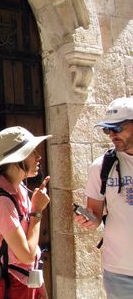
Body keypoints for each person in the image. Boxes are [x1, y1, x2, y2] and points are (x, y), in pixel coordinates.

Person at [0, 126, 51, 299]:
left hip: (26, 284)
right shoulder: (1, 203)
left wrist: (41, 291)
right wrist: (37, 211)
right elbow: (26, 256)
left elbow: (31, 255)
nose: (38, 156)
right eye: (32, 151)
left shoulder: (19, 189)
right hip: (10, 288)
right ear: (16, 159)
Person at [74, 97, 133, 299]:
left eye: (118, 128)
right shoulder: (101, 167)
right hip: (119, 272)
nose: (112, 135)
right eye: (108, 130)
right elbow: (95, 215)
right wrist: (89, 219)